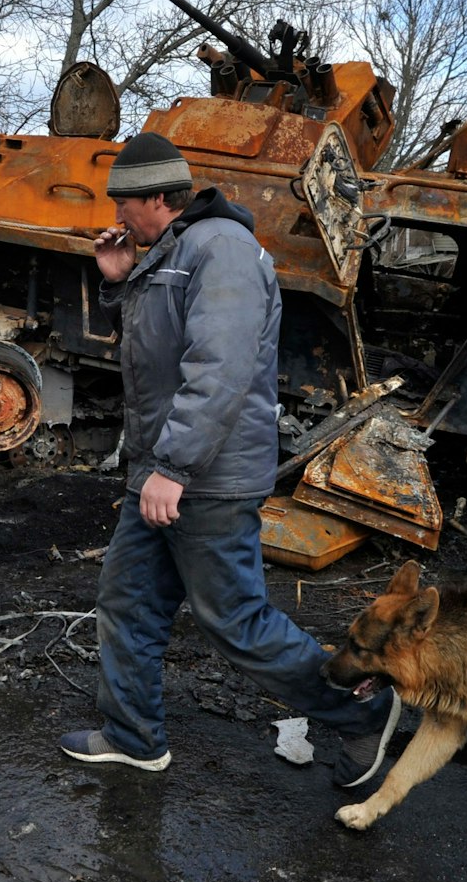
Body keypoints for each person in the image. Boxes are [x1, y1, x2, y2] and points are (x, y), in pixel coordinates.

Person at [58, 131, 402, 787]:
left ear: (157, 196)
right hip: (162, 473)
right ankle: (133, 735)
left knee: (236, 622)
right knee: (128, 601)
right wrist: (120, 280)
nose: (116, 215)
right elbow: (157, 353)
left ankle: (361, 707)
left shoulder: (224, 252)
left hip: (203, 480)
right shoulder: (172, 252)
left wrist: (174, 467)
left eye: (124, 202)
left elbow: (218, 370)